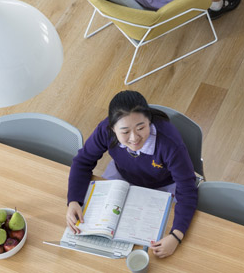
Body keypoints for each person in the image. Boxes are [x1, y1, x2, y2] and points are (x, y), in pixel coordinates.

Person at [66, 91, 198, 258]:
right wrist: (73, 200)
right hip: (122, 177)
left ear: (149, 120)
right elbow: (82, 161)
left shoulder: (169, 143)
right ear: (113, 129)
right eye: (125, 132)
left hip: (165, 184)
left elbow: (187, 188)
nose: (134, 138)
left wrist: (176, 236)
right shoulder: (104, 130)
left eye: (141, 127)